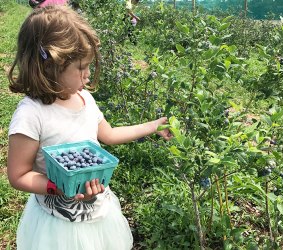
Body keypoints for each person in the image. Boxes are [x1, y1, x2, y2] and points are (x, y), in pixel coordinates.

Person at [7, 5, 172, 250]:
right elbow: (18, 175)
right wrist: (59, 187)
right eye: (81, 68)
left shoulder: (85, 99)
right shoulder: (32, 115)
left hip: (97, 212)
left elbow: (110, 135)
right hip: (58, 225)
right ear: (49, 67)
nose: (87, 75)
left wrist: (153, 126)